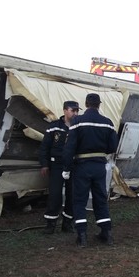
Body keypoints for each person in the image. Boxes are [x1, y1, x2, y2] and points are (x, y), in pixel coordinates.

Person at [62, 93, 119, 247]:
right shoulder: (107, 123)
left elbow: (70, 147)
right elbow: (113, 147)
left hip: (81, 166)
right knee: (100, 198)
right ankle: (106, 233)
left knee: (79, 199)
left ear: (86, 104)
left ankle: (82, 236)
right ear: (99, 105)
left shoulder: (77, 121)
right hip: (100, 166)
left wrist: (66, 169)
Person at [39, 100, 79, 234]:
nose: (75, 113)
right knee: (55, 195)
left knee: (72, 194)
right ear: (65, 110)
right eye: (72, 110)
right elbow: (45, 146)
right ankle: (50, 224)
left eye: (77, 110)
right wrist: (44, 164)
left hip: (73, 165)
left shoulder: (78, 127)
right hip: (57, 165)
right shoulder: (54, 126)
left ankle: (67, 223)